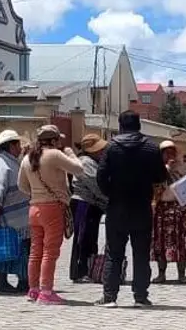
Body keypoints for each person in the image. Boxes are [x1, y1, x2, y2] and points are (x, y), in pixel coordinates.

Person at [95, 111, 168, 308]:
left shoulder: (111, 147)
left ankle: (110, 296)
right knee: (142, 253)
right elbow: (162, 176)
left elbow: (100, 176)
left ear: (120, 126)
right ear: (139, 125)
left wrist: (111, 193)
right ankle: (141, 296)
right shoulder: (151, 147)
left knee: (114, 252)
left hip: (117, 206)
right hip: (142, 206)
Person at [18, 124, 84, 305]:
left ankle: (33, 289)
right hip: (53, 207)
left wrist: (36, 194)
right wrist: (70, 153)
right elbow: (78, 168)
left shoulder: (27, 158)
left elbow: (21, 185)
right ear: (54, 140)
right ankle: (46, 291)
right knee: (50, 251)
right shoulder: (54, 155)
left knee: (35, 251)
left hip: (34, 208)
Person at [0, 130, 30, 295]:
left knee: (13, 247)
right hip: (2, 213)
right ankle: (5, 281)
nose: (20, 148)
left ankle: (22, 280)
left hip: (14, 214)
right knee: (4, 246)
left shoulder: (10, 161)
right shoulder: (0, 163)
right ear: (11, 145)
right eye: (18, 144)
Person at [152, 140, 186, 283]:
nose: (169, 155)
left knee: (181, 242)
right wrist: (167, 169)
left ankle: (181, 274)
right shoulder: (157, 168)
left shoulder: (184, 167)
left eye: (172, 151)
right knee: (160, 243)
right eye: (166, 152)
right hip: (162, 208)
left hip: (179, 208)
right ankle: (161, 274)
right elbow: (154, 186)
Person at [69, 133, 109, 283]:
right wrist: (109, 200)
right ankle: (79, 271)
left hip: (93, 205)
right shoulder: (85, 162)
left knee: (91, 237)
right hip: (83, 203)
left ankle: (90, 269)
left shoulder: (94, 162)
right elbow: (95, 185)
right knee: (82, 238)